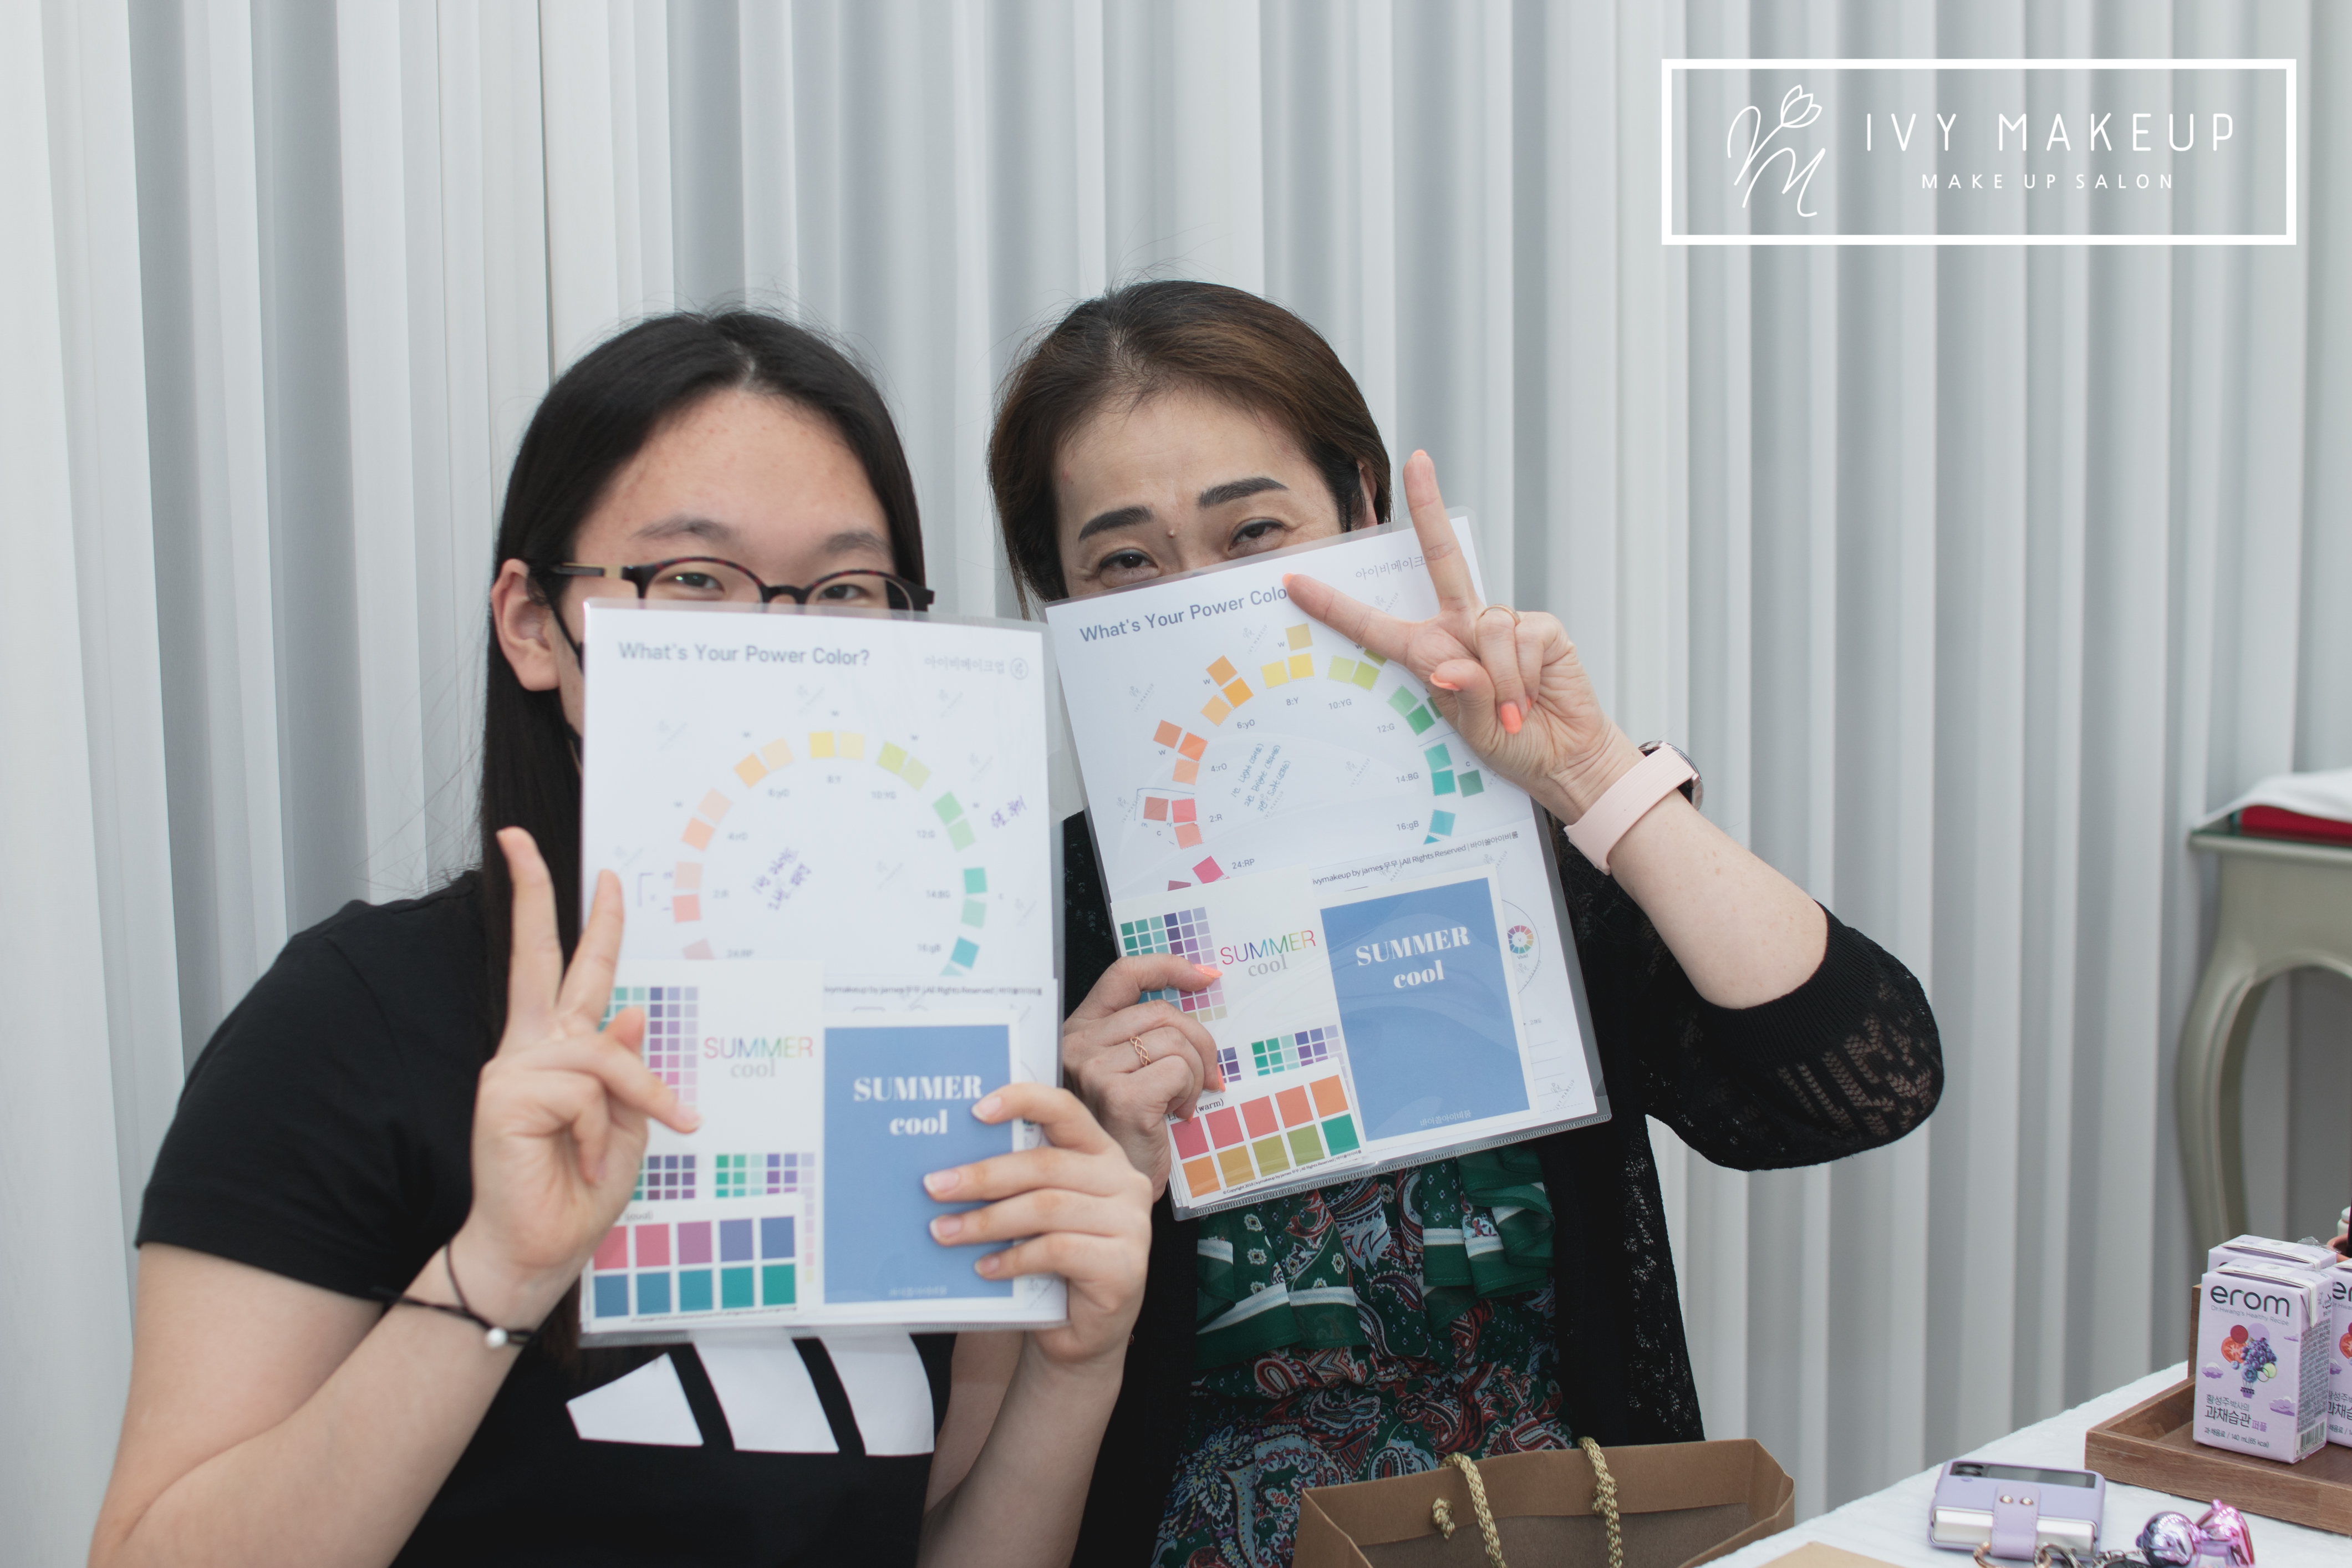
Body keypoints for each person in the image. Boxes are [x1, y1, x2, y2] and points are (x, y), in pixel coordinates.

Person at [91, 312, 1153, 1568]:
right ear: (534, 624)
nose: (779, 643)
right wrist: (495, 1275)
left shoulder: (943, 1032)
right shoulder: (358, 1019)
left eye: (845, 592)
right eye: (694, 580)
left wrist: (1076, 1364)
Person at [989, 280, 1946, 1567]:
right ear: (1059, 595)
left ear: (1362, 511)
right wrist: (1092, 1145)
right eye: (1126, 563)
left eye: (1252, 532)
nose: (1197, 601)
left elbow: (1865, 1084)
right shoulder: (1027, 924)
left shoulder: (1512, 841)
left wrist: (1592, 777)